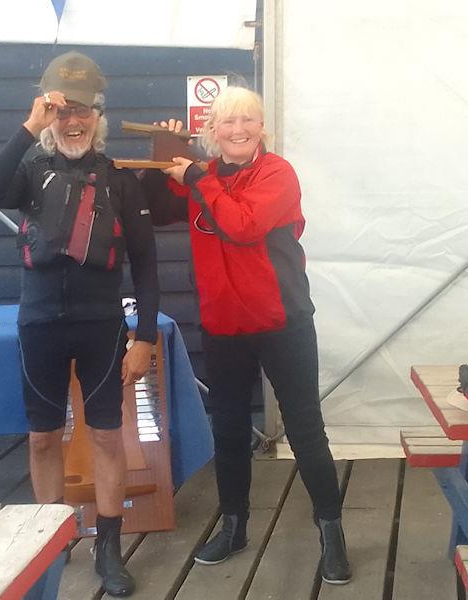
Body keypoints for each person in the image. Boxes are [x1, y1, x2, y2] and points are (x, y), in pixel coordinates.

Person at [140, 86, 352, 584]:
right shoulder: (204, 175)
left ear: (263, 128)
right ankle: (234, 528)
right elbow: (160, 208)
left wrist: (193, 175)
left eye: (248, 121)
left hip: (284, 322)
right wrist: (162, 155)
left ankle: (333, 533)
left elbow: (241, 225)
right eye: (227, 122)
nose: (238, 130)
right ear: (212, 130)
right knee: (230, 430)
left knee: (305, 431)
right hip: (224, 323)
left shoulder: (278, 173)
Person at [0, 51, 159, 597]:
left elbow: (147, 265)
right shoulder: (29, 173)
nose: (73, 122)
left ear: (99, 116)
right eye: (63, 112)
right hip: (39, 326)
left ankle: (108, 549)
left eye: (83, 112)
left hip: (102, 325)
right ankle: (49, 543)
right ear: (49, 116)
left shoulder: (119, 181)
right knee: (41, 440)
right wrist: (30, 125)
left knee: (106, 439)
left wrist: (144, 336)